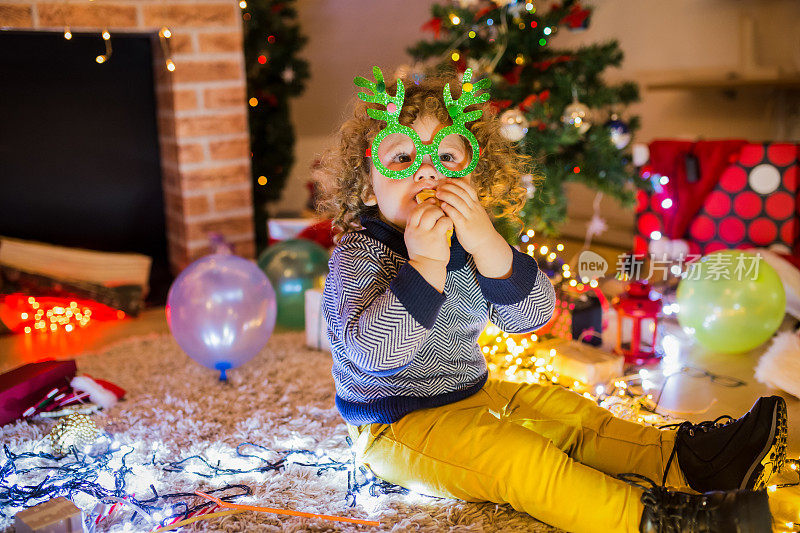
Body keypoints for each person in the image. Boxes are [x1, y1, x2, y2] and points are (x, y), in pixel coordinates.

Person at [315, 66, 787, 533]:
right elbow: (375, 355)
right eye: (401, 160)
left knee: (574, 416)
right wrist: (425, 266)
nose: (427, 172)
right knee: (523, 460)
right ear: (366, 187)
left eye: (446, 158)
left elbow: (532, 315)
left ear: (474, 179)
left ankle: (696, 461)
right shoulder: (357, 256)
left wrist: (491, 247)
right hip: (396, 426)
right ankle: (655, 520)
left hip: (472, 391)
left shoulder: (472, 240)